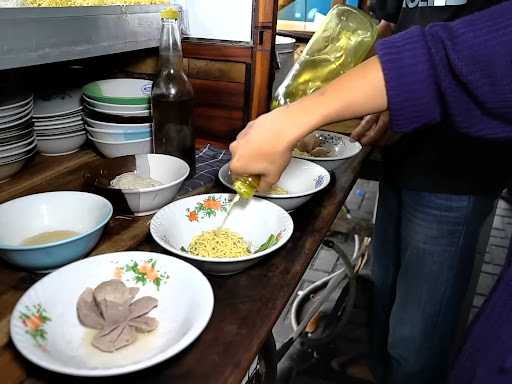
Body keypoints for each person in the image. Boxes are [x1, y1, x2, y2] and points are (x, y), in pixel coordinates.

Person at [229, 1, 512, 383]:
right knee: (386, 286)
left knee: (419, 329)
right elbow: (387, 31)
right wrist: (343, 92)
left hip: (457, 170)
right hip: (403, 153)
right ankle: (380, 369)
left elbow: (460, 57)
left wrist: (300, 116)